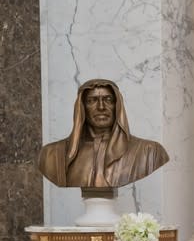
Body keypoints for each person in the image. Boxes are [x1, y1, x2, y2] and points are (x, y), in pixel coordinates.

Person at [38, 79, 169, 188]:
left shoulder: (150, 152)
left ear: (117, 106)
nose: (101, 107)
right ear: (81, 108)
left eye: (108, 99)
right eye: (92, 101)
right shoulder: (52, 154)